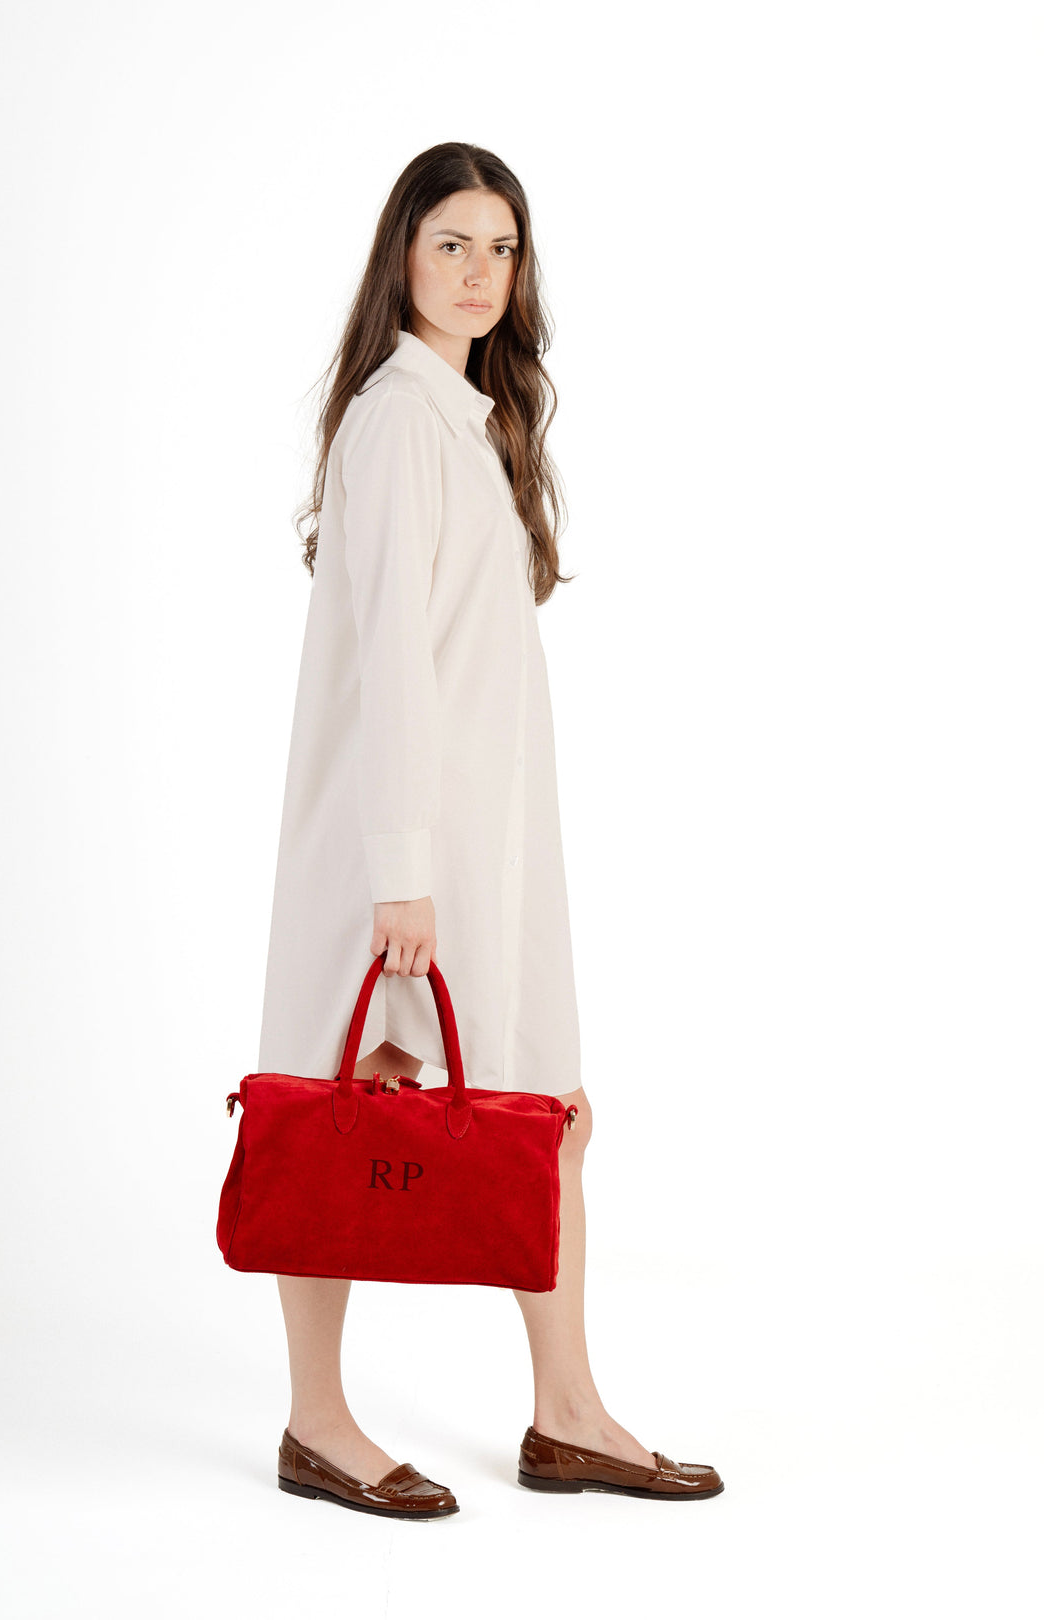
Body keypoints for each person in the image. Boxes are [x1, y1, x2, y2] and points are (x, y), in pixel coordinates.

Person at [258, 142, 724, 1518]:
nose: (479, 272)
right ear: (401, 255)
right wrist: (403, 877)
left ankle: (568, 1412)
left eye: (502, 248)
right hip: (408, 852)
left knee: (553, 1117)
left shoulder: (472, 423)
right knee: (335, 1117)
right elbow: (392, 659)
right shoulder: (399, 421)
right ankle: (318, 1422)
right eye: (453, 242)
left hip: (492, 843)